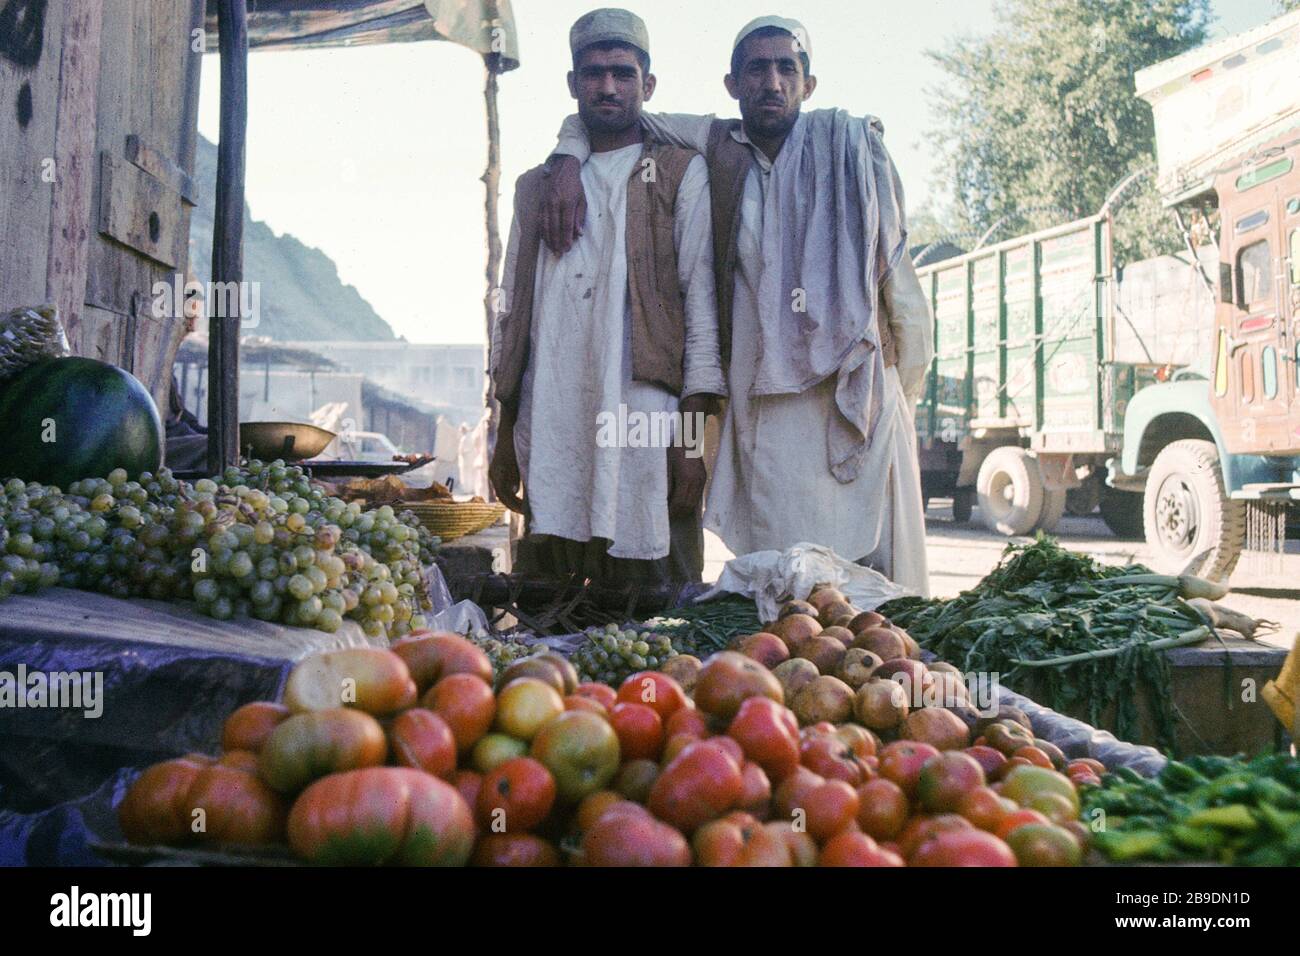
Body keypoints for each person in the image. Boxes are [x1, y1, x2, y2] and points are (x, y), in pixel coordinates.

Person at [542, 15, 934, 596]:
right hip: (768, 411)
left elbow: (899, 286)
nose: (772, 83)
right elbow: (610, 114)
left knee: (876, 590)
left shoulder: (852, 149)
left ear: (809, 83)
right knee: (785, 588)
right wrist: (568, 159)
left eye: (787, 68)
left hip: (856, 397)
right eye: (757, 69)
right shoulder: (718, 146)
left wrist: (903, 385)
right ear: (732, 84)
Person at [489, 8, 725, 584]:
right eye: (592, 74)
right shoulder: (535, 187)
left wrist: (693, 443)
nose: (608, 87)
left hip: (646, 427)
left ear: (648, 85)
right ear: (573, 85)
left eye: (623, 74)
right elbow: (513, 318)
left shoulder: (678, 172)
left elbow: (700, 308)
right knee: (548, 615)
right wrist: (502, 434)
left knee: (658, 616)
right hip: (552, 421)